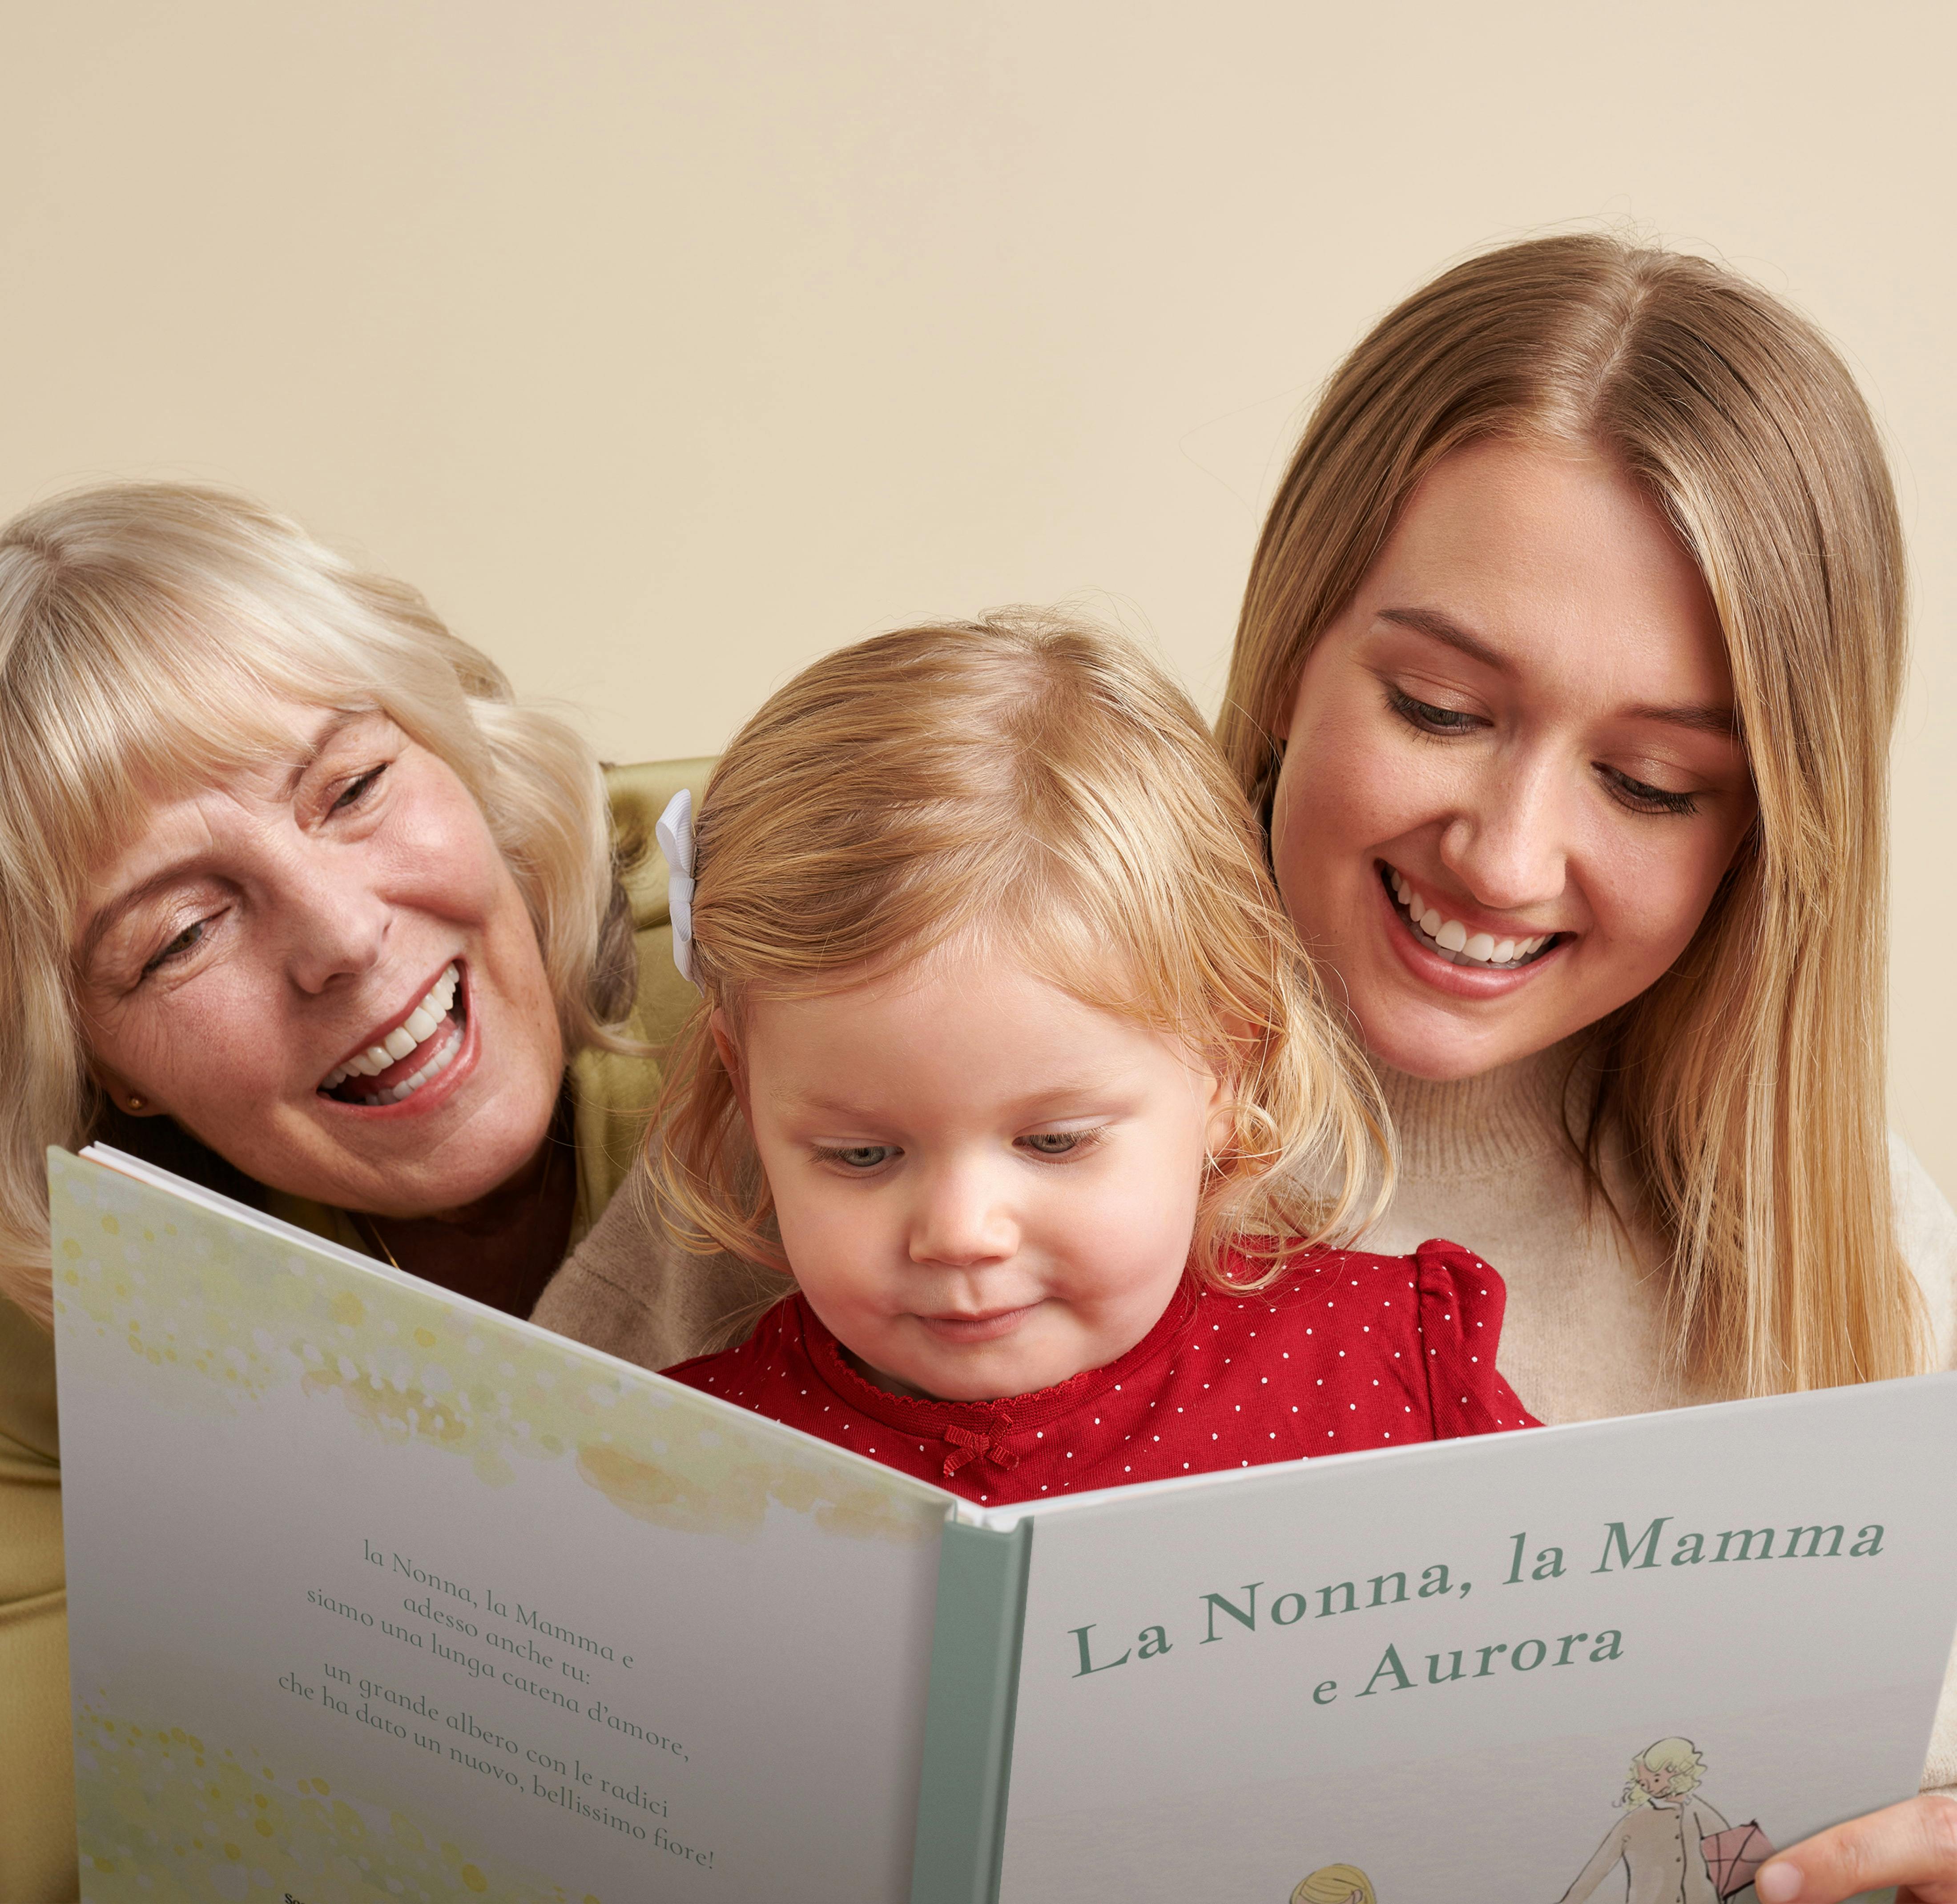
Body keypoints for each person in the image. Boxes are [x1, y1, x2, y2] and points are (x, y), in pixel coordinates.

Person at [1214, 234, 1957, 1897]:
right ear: (1287, 654)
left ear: (1763, 839)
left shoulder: (1847, 1253)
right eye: (1440, 706)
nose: (1508, 855)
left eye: (1653, 786)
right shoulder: (934, 1079)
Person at [0, 483, 730, 1900]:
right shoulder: (56, 1297)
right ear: (96, 1064)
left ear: (467, 756)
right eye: (183, 932)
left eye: (353, 787)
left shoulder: (795, 932)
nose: (338, 935)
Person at [648, 614, 1537, 1498]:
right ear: (746, 1085)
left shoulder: (1389, 1371)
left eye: (1054, 1142)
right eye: (862, 1155)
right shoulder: (670, 1462)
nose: (961, 1234)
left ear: (1227, 1063)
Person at [1556, 1738, 1731, 1904]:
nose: (1649, 1787)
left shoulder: (1699, 1811)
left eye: (1656, 1779)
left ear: (1678, 1771)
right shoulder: (1635, 1821)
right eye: (1642, 1783)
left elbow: (1732, 1855)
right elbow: (1598, 1868)